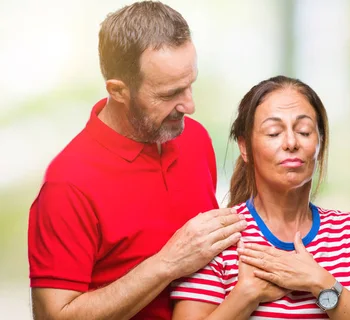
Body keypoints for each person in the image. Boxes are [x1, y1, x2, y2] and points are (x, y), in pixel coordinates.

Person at [27, 2, 247, 319]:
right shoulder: (67, 184)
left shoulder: (194, 138)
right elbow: (55, 316)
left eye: (191, 84)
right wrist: (168, 263)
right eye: (170, 93)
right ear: (118, 90)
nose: (190, 105)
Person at [170, 75, 350, 319]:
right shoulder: (217, 236)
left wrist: (319, 282)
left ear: (320, 143)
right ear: (245, 147)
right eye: (273, 133)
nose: (291, 142)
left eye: (304, 131)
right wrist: (246, 295)